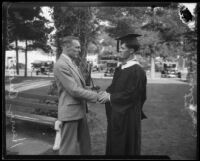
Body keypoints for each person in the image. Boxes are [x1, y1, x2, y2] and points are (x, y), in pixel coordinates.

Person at [98, 33, 147, 155]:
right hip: (117, 115)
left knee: (126, 147)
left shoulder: (138, 71)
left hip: (129, 117)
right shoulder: (120, 68)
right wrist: (105, 93)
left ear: (131, 51)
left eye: (122, 49)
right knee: (115, 145)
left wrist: (110, 97)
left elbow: (133, 95)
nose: (119, 52)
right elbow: (114, 87)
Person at [53, 36, 101, 155]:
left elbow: (79, 87)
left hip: (79, 111)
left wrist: (92, 90)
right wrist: (97, 96)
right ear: (66, 47)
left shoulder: (71, 63)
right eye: (77, 47)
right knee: (68, 148)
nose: (79, 50)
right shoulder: (61, 65)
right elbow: (74, 90)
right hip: (70, 113)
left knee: (84, 145)